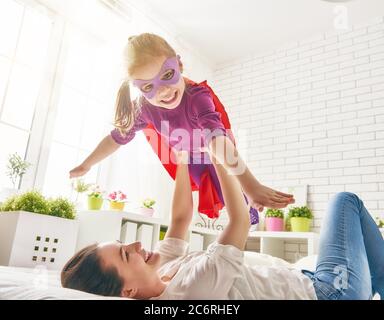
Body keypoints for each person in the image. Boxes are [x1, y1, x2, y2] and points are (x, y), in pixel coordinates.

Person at [61, 150, 384, 300]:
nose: (134, 246)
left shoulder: (160, 269)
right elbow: (239, 219)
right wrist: (219, 156)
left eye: (123, 244)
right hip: (330, 293)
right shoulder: (188, 292)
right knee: (345, 201)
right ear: (128, 291)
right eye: (125, 255)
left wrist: (185, 160)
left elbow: (179, 219)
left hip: (309, 280)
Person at [68, 33, 294, 222]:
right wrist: (86, 164)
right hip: (189, 157)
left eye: (167, 75)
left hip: (215, 147)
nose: (164, 90)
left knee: (234, 193)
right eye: (149, 86)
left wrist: (251, 185)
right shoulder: (144, 109)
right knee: (203, 194)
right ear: (138, 89)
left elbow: (216, 138)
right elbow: (116, 138)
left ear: (179, 65)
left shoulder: (197, 96)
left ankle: (249, 210)